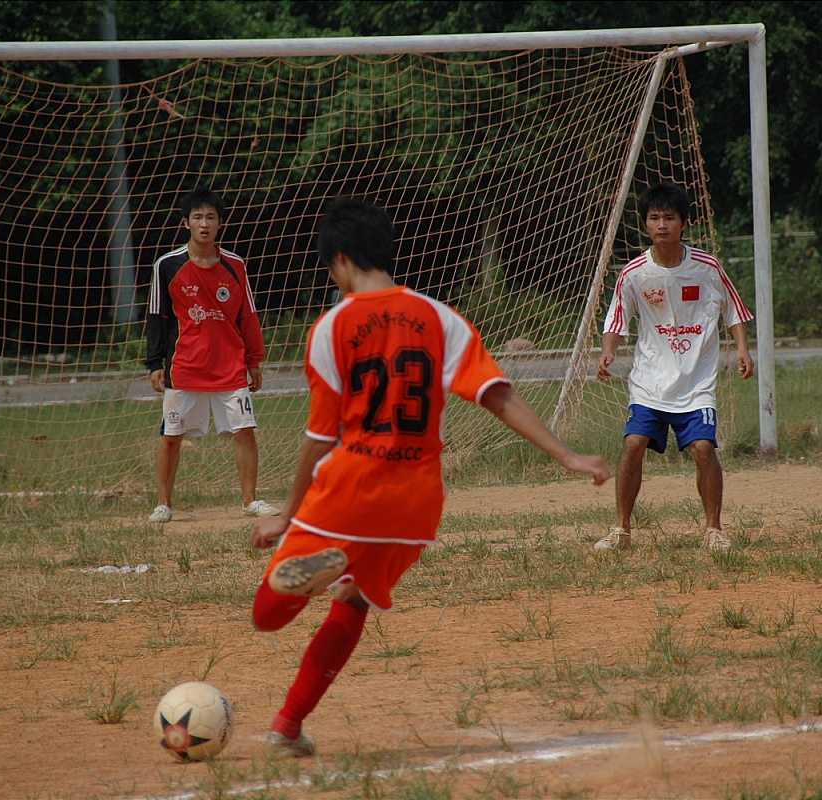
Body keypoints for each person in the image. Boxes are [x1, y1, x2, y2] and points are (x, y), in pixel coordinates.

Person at [249, 196, 610, 757]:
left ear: (340, 259)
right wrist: (566, 456)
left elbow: (319, 438)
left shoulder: (331, 327)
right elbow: (498, 395)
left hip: (349, 489)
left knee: (267, 617)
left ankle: (323, 568)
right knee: (355, 602)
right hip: (414, 503)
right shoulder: (442, 318)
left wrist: (286, 515)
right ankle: (287, 727)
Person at [593, 181, 755, 552]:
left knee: (703, 448)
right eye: (654, 218)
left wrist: (743, 349)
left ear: (684, 223)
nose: (662, 225)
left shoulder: (707, 267)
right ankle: (621, 530)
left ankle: (714, 530)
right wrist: (607, 352)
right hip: (649, 380)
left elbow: (733, 309)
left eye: (669, 217)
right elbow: (617, 319)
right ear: (645, 224)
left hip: (696, 381)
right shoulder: (634, 273)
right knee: (633, 444)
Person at [143, 187, 280, 523]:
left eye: (210, 218)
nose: (204, 224)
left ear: (220, 223)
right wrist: (154, 363)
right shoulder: (167, 265)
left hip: (230, 366)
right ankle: (163, 504)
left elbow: (248, 315)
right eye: (198, 217)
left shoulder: (235, 265)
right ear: (186, 223)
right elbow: (157, 316)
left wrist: (254, 360)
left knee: (245, 431)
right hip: (185, 366)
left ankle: (250, 501)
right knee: (171, 436)